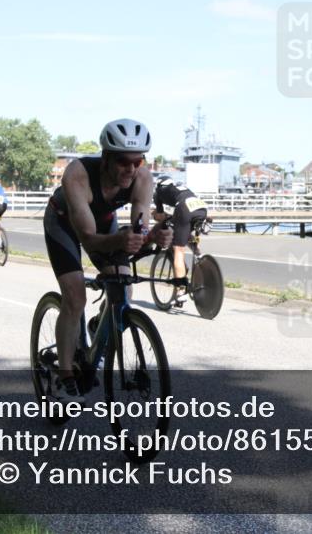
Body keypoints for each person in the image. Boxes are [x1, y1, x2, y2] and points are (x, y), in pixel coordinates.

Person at [43, 119, 172, 403]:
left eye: (137, 161)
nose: (130, 168)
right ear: (106, 158)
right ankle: (65, 375)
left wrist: (153, 237)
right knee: (75, 297)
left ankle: (98, 324)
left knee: (124, 289)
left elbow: (138, 228)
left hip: (103, 222)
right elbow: (88, 239)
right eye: (123, 161)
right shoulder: (78, 174)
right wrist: (121, 240)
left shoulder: (142, 178)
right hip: (63, 223)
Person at [152, 176, 208, 299]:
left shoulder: (158, 193)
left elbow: (160, 216)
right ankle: (200, 256)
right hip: (201, 208)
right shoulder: (180, 187)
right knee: (185, 232)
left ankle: (181, 289)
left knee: (178, 250)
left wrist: (154, 215)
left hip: (184, 208)